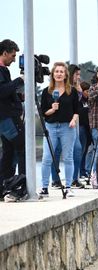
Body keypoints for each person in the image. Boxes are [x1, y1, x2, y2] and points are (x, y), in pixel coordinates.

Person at [39, 62, 80, 197]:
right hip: (51, 127)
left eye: (61, 72)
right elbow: (43, 112)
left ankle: (68, 187)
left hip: (67, 127)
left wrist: (74, 120)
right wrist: (52, 109)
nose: (59, 74)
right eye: (56, 71)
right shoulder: (47, 91)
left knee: (68, 157)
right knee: (46, 158)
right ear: (52, 74)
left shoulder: (71, 91)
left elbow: (77, 109)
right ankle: (44, 187)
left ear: (65, 75)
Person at [0, 39, 25, 189]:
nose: (14, 60)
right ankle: (23, 184)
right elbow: (2, 91)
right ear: (4, 53)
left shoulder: (3, 71)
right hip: (8, 118)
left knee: (9, 151)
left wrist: (18, 97)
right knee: (23, 148)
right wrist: (19, 80)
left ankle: (6, 185)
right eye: (13, 56)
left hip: (5, 118)